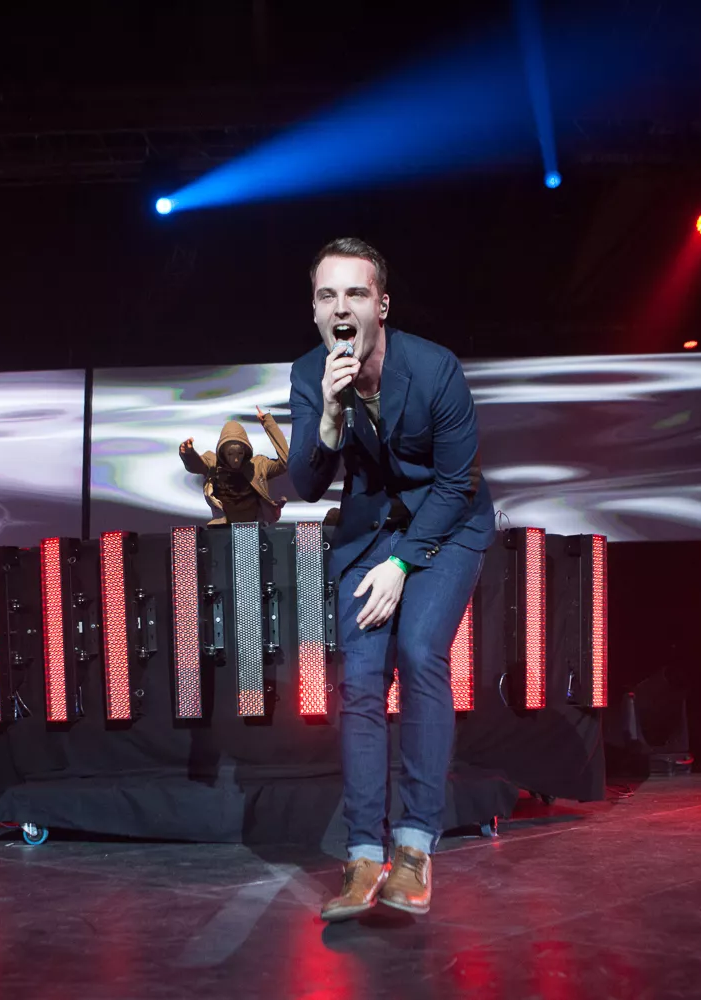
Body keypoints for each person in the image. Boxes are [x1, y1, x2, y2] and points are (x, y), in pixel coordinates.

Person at [287, 237, 495, 921]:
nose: (340, 307)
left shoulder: (434, 369)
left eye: (355, 293)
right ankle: (362, 856)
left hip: (448, 521)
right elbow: (306, 483)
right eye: (327, 295)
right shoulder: (310, 373)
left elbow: (455, 482)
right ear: (315, 310)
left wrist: (403, 565)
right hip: (370, 529)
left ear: (380, 304)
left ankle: (413, 848)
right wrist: (328, 412)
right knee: (360, 680)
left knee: (419, 651)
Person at [178, 407, 290, 524]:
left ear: (246, 451)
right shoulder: (213, 463)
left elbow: (285, 462)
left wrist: (268, 423)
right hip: (223, 528)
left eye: (240, 453)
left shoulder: (258, 465)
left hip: (255, 527)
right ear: (222, 452)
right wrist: (189, 454)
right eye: (230, 454)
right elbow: (195, 466)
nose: (236, 459)